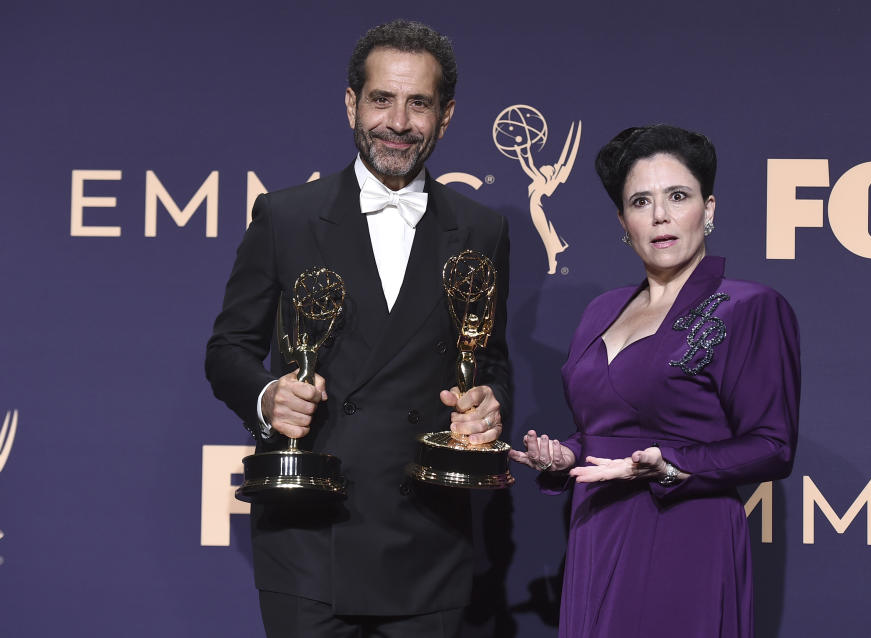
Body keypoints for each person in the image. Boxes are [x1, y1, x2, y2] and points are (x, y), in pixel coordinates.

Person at [205, 20, 511, 638]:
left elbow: (491, 360)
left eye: (418, 103)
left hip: (429, 542)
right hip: (311, 541)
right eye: (381, 99)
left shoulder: (482, 230)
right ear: (351, 103)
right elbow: (228, 350)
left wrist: (488, 405)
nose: (397, 122)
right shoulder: (286, 217)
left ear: (445, 116)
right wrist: (269, 397)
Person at [509, 124, 799, 637]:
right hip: (597, 528)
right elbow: (609, 423)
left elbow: (773, 446)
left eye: (678, 196)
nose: (660, 215)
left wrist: (671, 466)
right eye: (640, 201)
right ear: (623, 221)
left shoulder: (749, 306)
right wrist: (568, 455)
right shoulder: (601, 309)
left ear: (708, 209)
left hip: (685, 532)